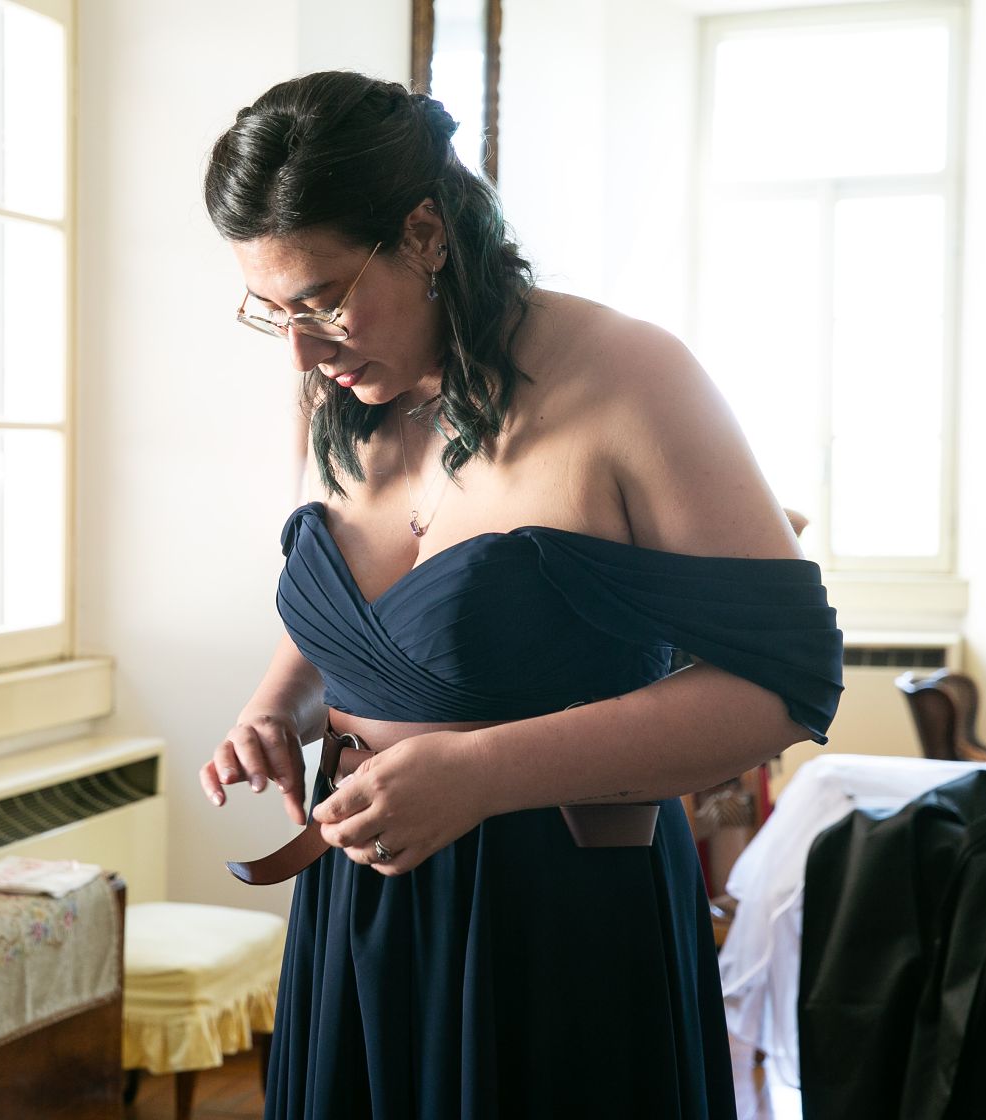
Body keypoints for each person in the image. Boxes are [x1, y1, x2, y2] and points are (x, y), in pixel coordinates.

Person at [197, 71, 844, 1119]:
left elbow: (786, 683)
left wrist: (481, 773)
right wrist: (276, 706)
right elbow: (354, 621)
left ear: (424, 233)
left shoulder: (630, 377)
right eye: (271, 314)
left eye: (321, 301)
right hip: (358, 910)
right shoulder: (338, 386)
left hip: (560, 922)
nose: (303, 350)